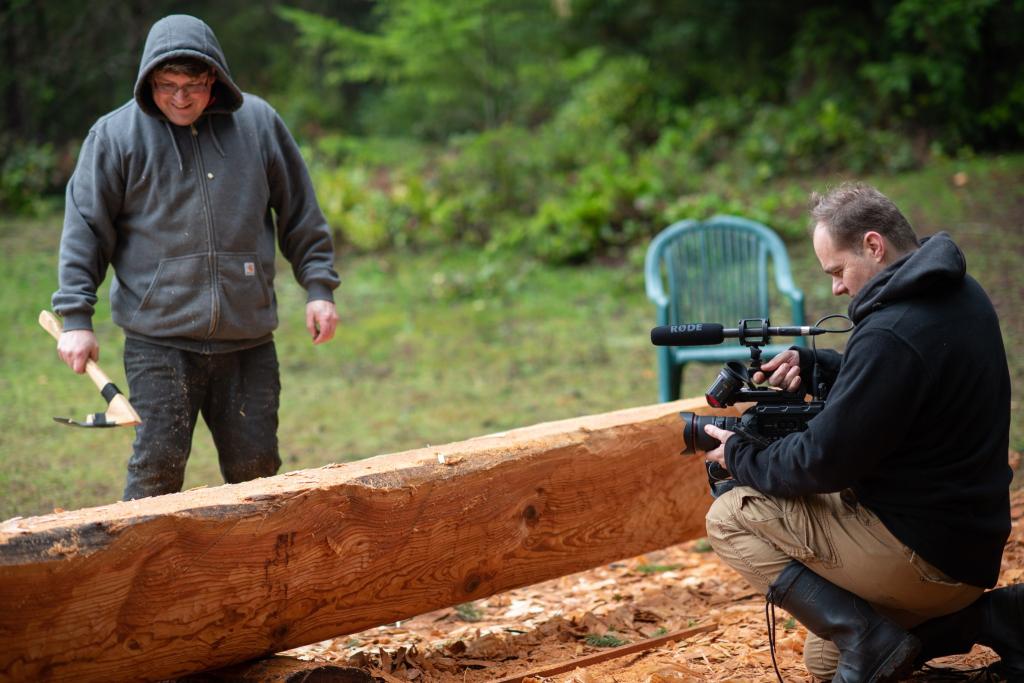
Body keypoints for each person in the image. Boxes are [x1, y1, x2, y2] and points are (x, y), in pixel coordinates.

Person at [700, 183, 1021, 681]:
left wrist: (740, 455)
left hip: (921, 556)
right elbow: (903, 382)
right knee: (823, 661)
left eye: (837, 271)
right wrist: (822, 368)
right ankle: (988, 617)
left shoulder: (892, 332)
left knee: (728, 516)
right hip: (968, 548)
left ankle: (868, 639)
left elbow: (821, 464)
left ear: (874, 246)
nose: (836, 288)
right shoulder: (958, 292)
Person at [52, 14, 340, 500]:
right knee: (157, 473)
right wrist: (77, 316)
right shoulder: (115, 136)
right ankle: (140, 577)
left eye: (194, 85)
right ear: (149, 81)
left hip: (247, 341)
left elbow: (301, 213)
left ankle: (257, 574)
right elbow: (84, 230)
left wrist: (319, 288)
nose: (180, 98)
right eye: (166, 85)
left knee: (258, 474)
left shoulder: (259, 124)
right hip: (159, 342)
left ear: (216, 80)